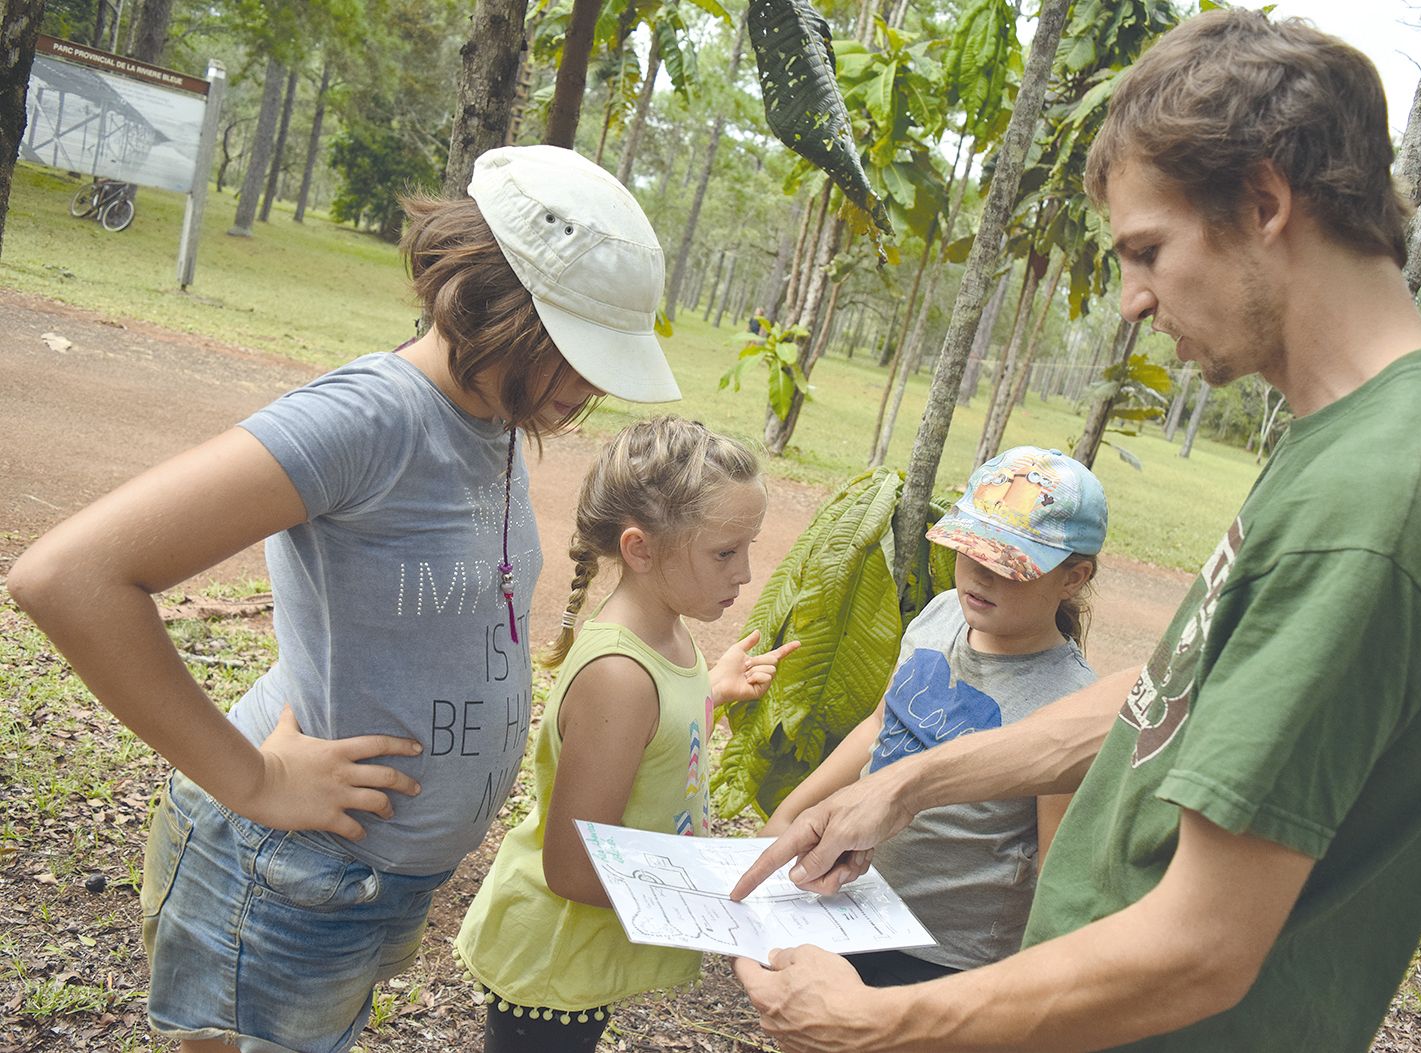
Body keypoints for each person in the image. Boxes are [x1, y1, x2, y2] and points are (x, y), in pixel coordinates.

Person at [728, 11, 1421, 1053]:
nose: (1130, 301)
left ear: (1262, 201)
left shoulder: (1384, 502)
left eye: (1147, 250)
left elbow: (1200, 946)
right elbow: (1184, 700)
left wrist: (881, 1023)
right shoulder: (1364, 441)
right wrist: (907, 783)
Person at [9, 145, 685, 1053]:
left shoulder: (488, 417)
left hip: (365, 885)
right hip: (283, 874)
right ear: (497, 304)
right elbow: (69, 577)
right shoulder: (370, 417)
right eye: (571, 350)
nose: (588, 385)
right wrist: (255, 779)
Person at [453, 415, 798, 1053]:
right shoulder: (619, 674)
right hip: (554, 958)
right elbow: (574, 870)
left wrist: (710, 694)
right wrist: (711, 897)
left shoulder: (667, 630)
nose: (745, 573)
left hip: (579, 956)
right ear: (640, 549)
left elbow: (657, 756)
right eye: (725, 552)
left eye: (747, 548)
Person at [760, 446, 1107, 987]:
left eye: (1008, 565)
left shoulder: (1069, 705)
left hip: (941, 956)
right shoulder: (940, 613)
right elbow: (880, 725)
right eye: (972, 553)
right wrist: (792, 810)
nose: (981, 577)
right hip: (853, 903)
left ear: (1073, 577)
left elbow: (1054, 863)